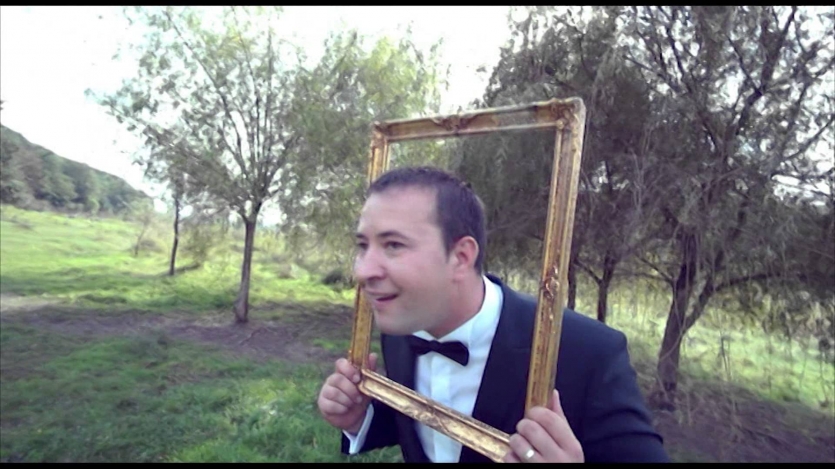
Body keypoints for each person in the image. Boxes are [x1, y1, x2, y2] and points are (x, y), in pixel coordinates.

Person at [316, 166, 669, 463]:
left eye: (393, 245)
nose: (363, 270)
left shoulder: (589, 353)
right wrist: (361, 420)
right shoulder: (402, 325)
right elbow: (424, 422)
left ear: (461, 257)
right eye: (363, 245)